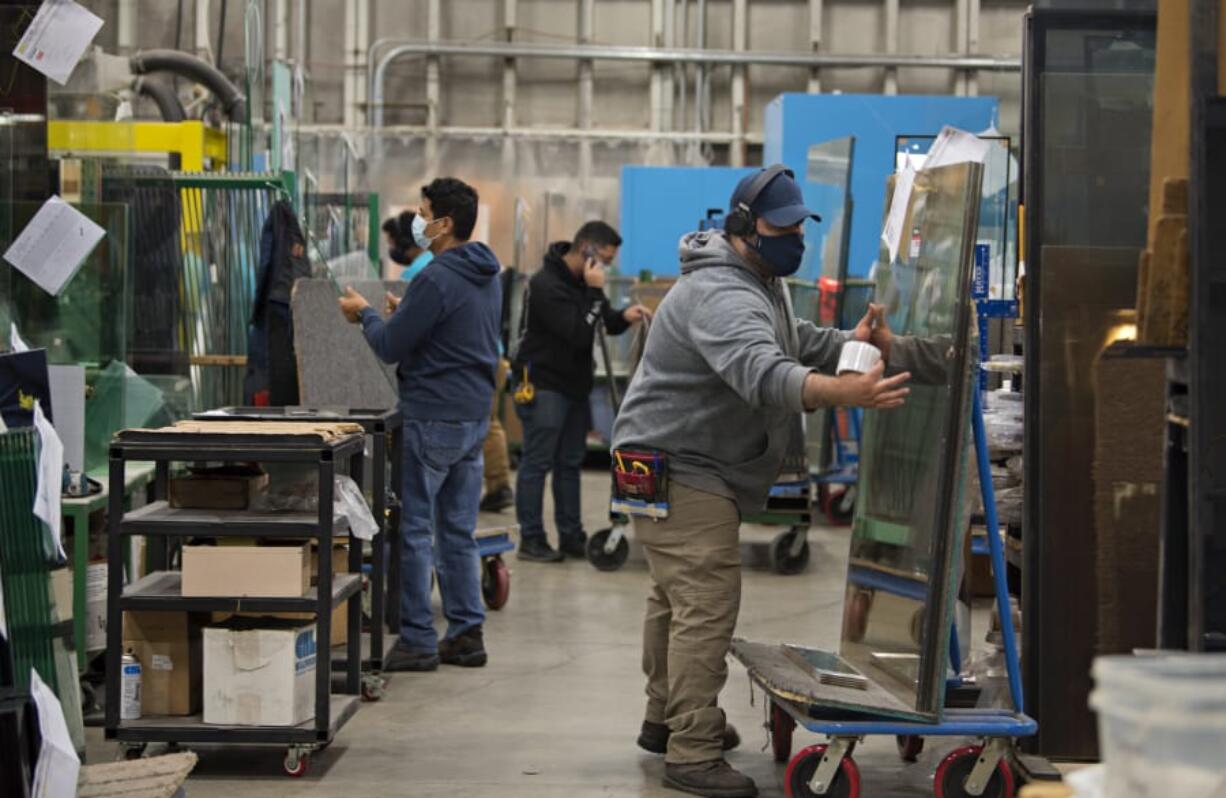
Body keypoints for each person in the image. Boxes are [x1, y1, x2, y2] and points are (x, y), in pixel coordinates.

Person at [611, 165, 934, 798]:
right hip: (680, 464)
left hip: (659, 457)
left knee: (673, 600)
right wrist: (842, 392)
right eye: (780, 227)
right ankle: (693, 751)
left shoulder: (758, 279)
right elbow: (762, 371)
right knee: (705, 602)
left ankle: (665, 718)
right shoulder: (722, 294)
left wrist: (848, 344)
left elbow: (791, 341)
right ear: (740, 228)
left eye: (798, 226)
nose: (795, 238)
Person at [340, 177, 501, 672]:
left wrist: (366, 314)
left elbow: (389, 348)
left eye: (425, 211)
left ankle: (416, 638)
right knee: (456, 528)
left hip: (433, 415)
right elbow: (452, 333)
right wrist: (405, 313)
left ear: (445, 223)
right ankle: (466, 633)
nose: (418, 219)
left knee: (413, 530)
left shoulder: (435, 277)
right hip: (473, 416)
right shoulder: (486, 273)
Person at [511, 221, 651, 562]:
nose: (604, 266)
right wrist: (592, 291)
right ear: (586, 247)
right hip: (544, 385)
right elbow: (576, 331)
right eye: (603, 258)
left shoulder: (583, 282)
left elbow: (602, 321)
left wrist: (625, 316)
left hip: (574, 386)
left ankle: (571, 535)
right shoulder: (545, 284)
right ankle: (532, 539)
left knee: (569, 463)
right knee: (537, 463)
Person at [479, 263, 516, 513]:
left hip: (484, 358)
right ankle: (498, 487)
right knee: (489, 423)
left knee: (486, 424)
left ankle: (499, 487)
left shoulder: (424, 270)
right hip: (493, 355)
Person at [383, 210, 434, 281]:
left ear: (405, 242)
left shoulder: (414, 272)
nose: (392, 250)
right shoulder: (437, 257)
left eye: (392, 245)